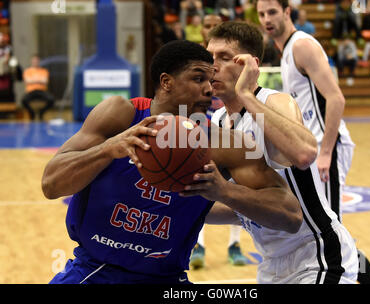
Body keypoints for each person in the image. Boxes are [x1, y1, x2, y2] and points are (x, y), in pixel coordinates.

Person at [42, 40, 302, 284]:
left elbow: (291, 216)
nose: (209, 89)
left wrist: (225, 191)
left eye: (210, 81)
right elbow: (51, 184)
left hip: (166, 279)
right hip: (95, 271)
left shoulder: (224, 143)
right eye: (198, 79)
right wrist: (107, 149)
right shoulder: (121, 115)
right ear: (166, 82)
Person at [204, 20, 358, 284]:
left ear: (249, 65)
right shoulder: (217, 122)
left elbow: (304, 153)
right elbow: (241, 210)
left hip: (318, 254)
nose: (212, 66)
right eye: (209, 57)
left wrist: (246, 94)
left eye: (224, 57)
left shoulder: (275, 102)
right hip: (271, 265)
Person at [255, 0, 370, 284]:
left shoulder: (302, 45)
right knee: (328, 232)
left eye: (272, 12)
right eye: (261, 14)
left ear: (288, 11)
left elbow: (336, 98)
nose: (266, 19)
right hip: (313, 151)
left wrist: (326, 153)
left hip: (328, 147)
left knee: (330, 232)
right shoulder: (286, 50)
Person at [190, 13, 249, 269]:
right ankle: (197, 244)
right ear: (201, 31)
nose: (210, 28)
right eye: (207, 25)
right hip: (200, 133)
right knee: (199, 189)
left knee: (239, 186)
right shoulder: (192, 64)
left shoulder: (230, 67)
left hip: (230, 132)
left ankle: (234, 244)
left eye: (215, 26)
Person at [21, 54, 54, 120]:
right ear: (31, 61)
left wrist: (33, 80)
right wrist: (39, 80)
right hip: (31, 91)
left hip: (41, 91)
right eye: (34, 60)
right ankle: (32, 114)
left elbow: (45, 81)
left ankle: (41, 113)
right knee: (23, 100)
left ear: (39, 61)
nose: (35, 62)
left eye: (37, 60)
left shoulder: (44, 71)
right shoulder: (27, 71)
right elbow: (27, 81)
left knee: (51, 99)